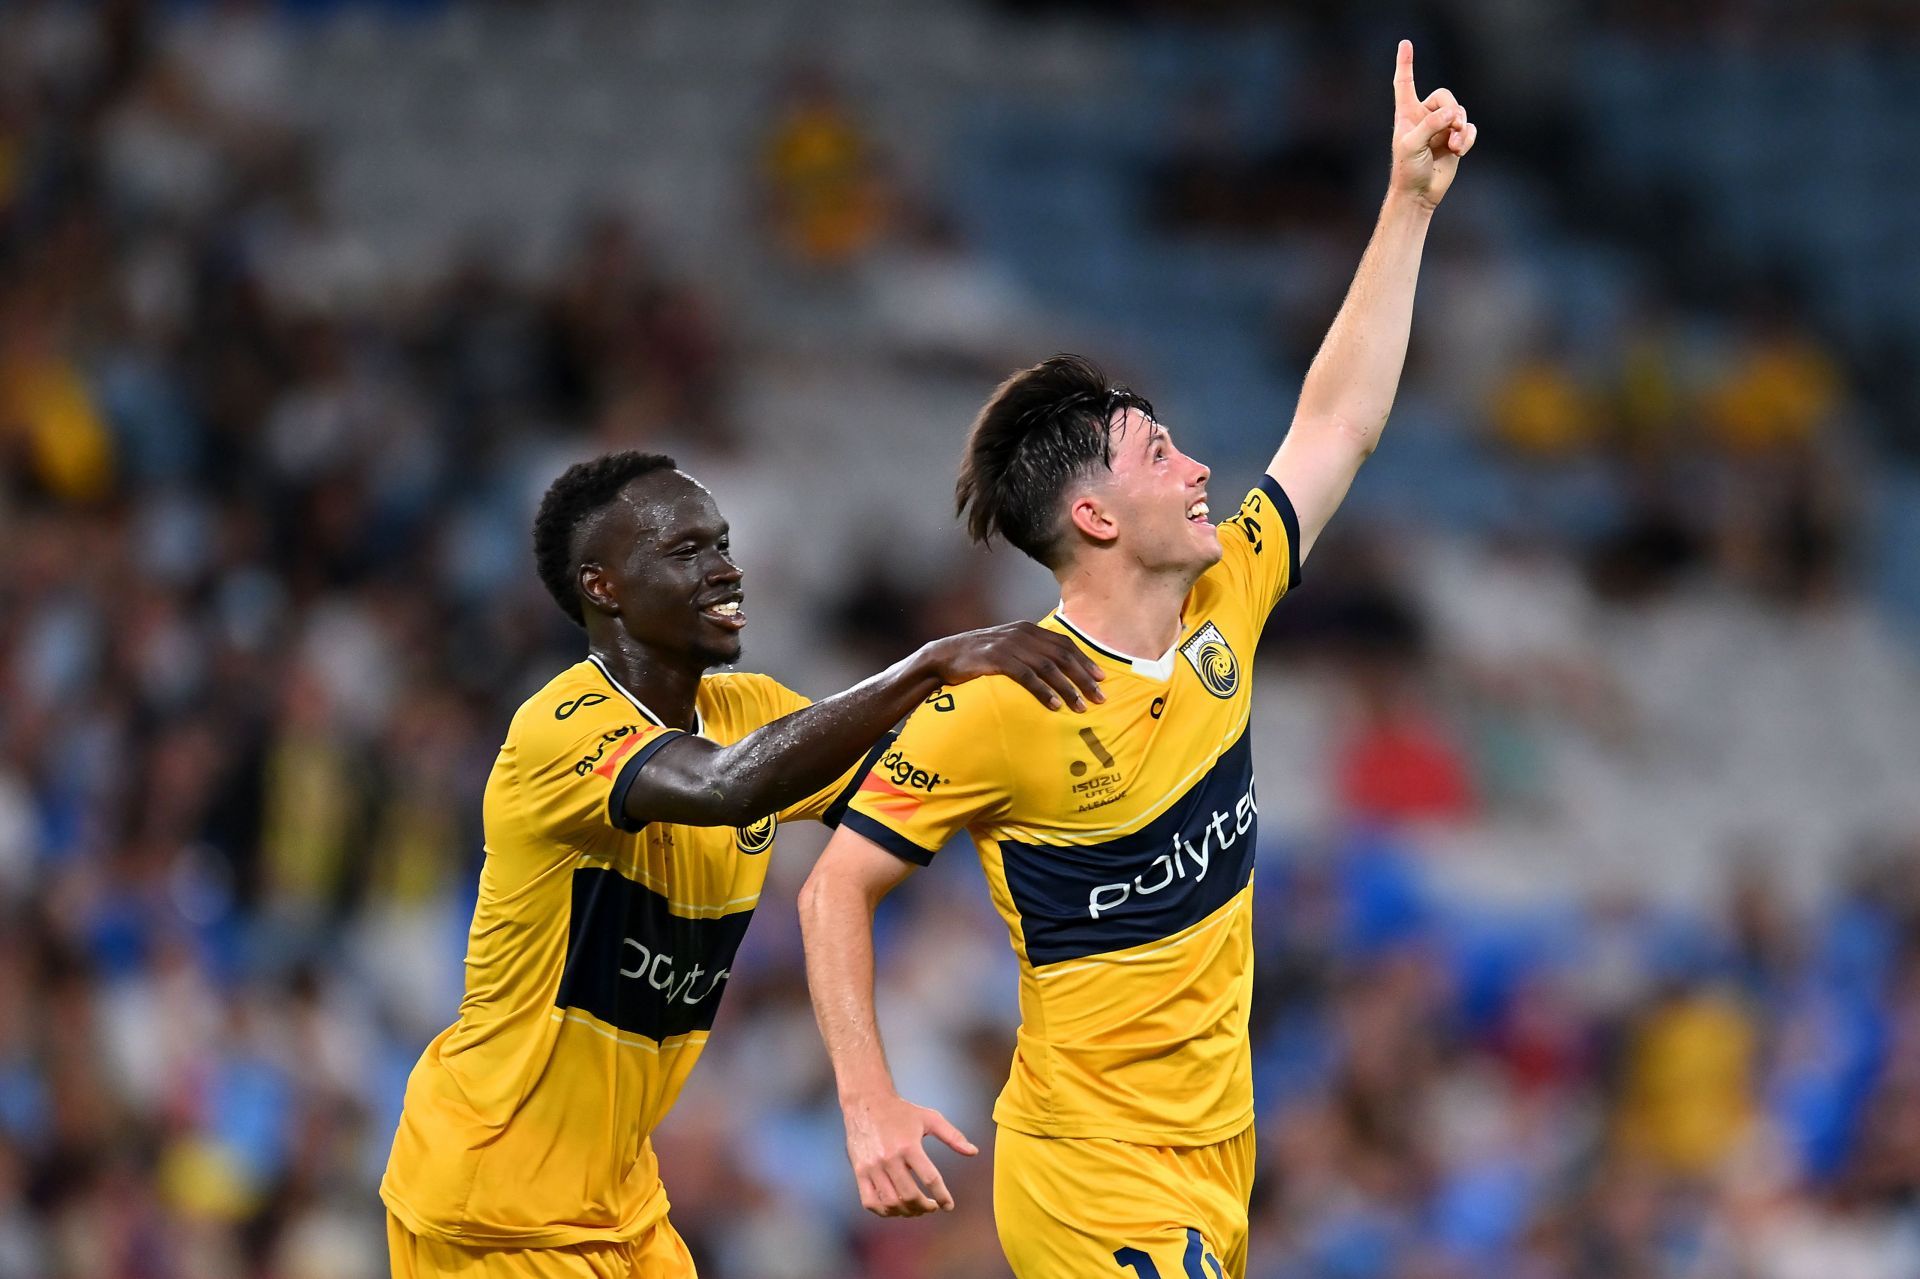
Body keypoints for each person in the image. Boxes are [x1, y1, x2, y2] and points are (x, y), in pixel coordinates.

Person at [798, 41, 1474, 1277]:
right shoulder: (1003, 703)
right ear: (1097, 518)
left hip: (1216, 1161)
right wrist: (867, 1101)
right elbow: (833, 886)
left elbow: (1337, 422)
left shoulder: (1229, 593)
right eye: (1159, 452)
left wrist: (1407, 204)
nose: (1198, 466)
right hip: (1089, 1178)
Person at [380, 449, 1106, 1277]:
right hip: (491, 1203)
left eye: (721, 544)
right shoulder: (560, 728)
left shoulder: (751, 710)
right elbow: (725, 784)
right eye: (686, 552)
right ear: (602, 585)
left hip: (620, 1204)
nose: (726, 569)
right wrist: (929, 663)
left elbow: (916, 793)